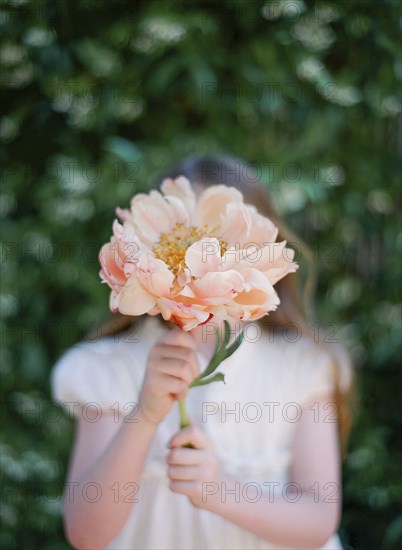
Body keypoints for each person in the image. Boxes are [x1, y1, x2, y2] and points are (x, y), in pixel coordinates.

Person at [51, 154, 356, 550]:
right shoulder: (106, 370)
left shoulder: (303, 367)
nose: (198, 268)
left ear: (260, 260)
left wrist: (218, 491)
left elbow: (317, 521)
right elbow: (87, 533)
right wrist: (145, 413)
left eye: (221, 250)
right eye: (183, 249)